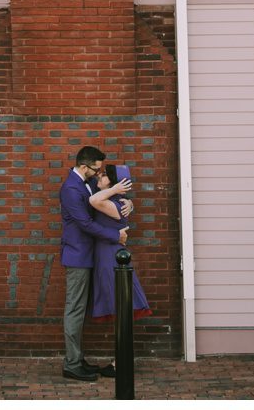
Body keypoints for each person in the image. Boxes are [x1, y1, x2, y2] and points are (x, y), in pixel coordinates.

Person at [59, 145, 126, 381]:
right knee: (75, 310)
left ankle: (78, 359)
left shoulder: (85, 184)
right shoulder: (70, 188)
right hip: (78, 256)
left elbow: (102, 202)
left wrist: (128, 204)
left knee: (79, 310)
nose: (98, 173)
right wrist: (116, 236)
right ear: (83, 166)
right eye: (96, 169)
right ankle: (72, 364)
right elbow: (85, 224)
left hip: (89, 255)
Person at [88, 164, 149, 323]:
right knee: (113, 296)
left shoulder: (116, 204)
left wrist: (116, 190)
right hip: (104, 252)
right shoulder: (114, 200)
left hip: (111, 255)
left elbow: (93, 200)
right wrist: (130, 201)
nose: (99, 176)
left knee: (119, 298)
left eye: (104, 175)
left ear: (114, 183)